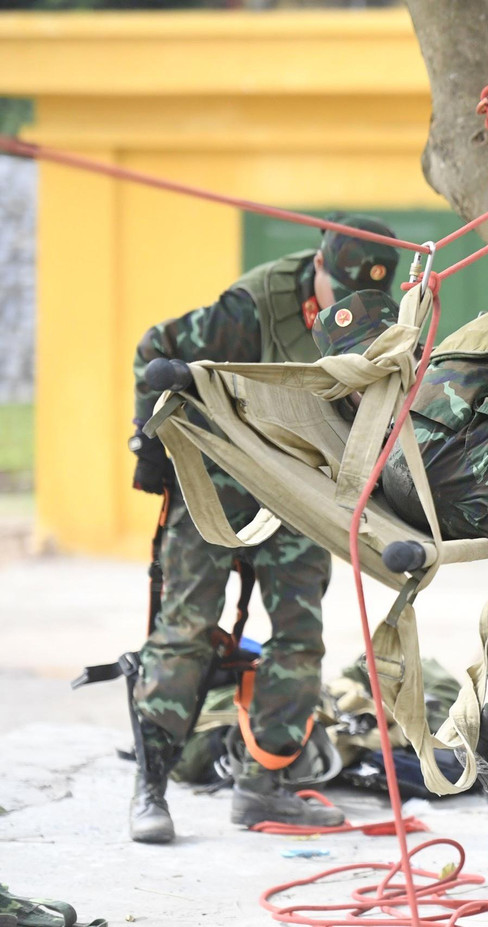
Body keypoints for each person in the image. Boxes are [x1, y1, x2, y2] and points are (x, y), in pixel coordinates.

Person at [126, 214, 399, 843]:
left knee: (300, 635)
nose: (349, 308)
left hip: (296, 481)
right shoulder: (251, 308)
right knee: (187, 627)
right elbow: (154, 346)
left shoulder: (380, 320)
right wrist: (148, 439)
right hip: (217, 474)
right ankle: (150, 787)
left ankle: (263, 786)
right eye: (340, 294)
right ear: (319, 266)